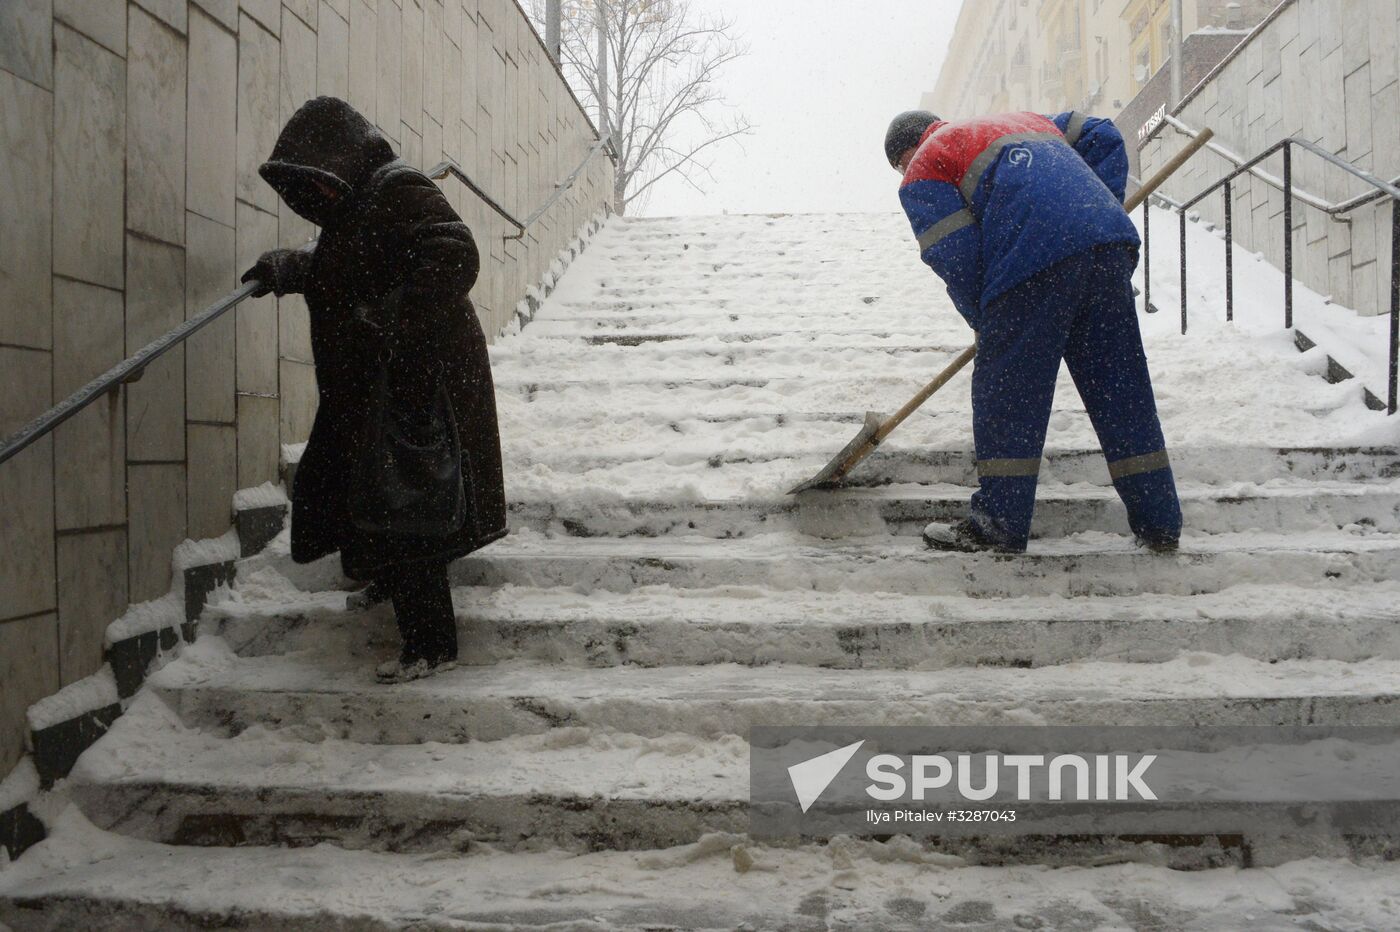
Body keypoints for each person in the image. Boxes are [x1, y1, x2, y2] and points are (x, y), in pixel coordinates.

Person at [242, 97, 507, 681]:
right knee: (377, 496)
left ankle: (431, 645)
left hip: (416, 384)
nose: (316, 195)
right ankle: (387, 583)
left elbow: (454, 252)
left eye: (318, 179)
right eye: (305, 187)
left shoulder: (397, 186)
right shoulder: (358, 207)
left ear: (342, 158)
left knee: (405, 505)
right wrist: (292, 268)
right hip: (380, 386)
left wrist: (390, 319)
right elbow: (351, 267)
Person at [885, 109, 1181, 554]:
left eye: (900, 165)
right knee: (1120, 390)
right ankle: (1160, 523)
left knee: (1009, 396)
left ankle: (999, 524)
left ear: (907, 152)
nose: (905, 172)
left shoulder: (926, 164)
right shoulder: (1021, 120)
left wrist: (988, 322)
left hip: (1030, 259)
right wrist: (1095, 205)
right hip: (1106, 246)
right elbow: (1101, 132)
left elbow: (955, 254)